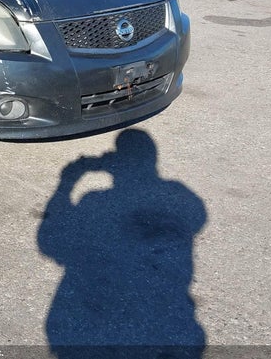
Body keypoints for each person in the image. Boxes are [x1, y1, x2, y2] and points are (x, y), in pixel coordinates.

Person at [38, 129, 207, 358]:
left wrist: (68, 180)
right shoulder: (179, 195)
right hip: (166, 325)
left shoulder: (95, 202)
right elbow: (197, 218)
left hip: (93, 323)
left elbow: (49, 242)